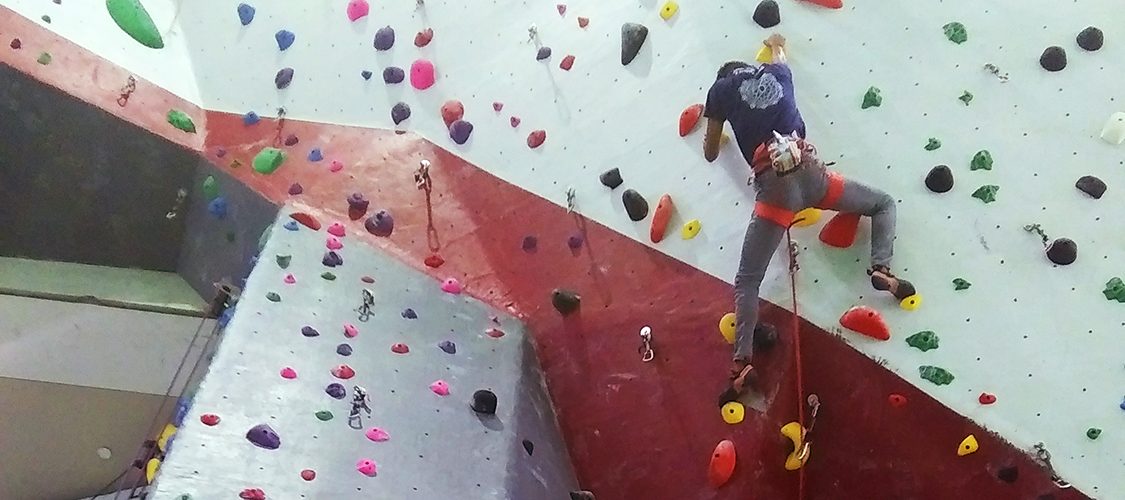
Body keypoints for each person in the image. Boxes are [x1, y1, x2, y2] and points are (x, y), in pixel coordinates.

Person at [702, 33, 915, 399]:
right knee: (883, 203)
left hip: (775, 190)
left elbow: (709, 151)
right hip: (813, 175)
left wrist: (721, 125)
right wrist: (775, 43)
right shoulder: (776, 73)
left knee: (748, 280)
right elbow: (781, 54)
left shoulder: (720, 90)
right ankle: (882, 269)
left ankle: (742, 363)